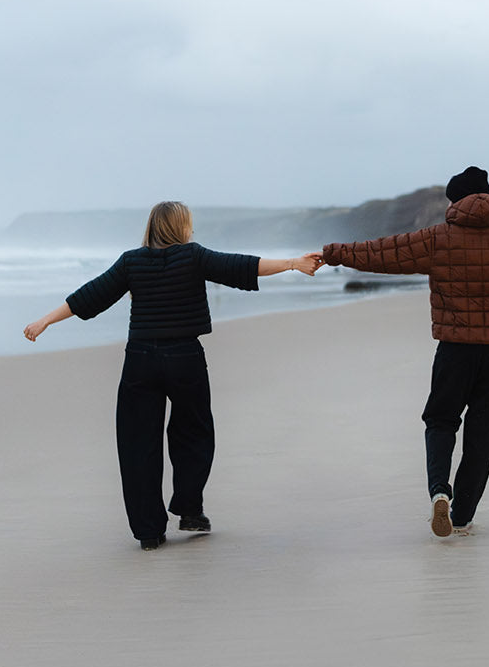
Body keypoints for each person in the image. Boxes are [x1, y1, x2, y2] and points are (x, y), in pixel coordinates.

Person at [24, 201, 322, 551]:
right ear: (180, 227)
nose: (192, 230)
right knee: (194, 433)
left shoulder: (131, 262)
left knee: (137, 444)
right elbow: (241, 266)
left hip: (140, 361)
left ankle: (149, 532)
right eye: (189, 224)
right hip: (184, 358)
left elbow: (91, 295)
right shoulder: (193, 256)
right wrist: (293, 263)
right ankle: (190, 509)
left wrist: (45, 320)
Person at [321, 166, 489, 538]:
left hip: (455, 349)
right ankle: (463, 514)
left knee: (440, 420)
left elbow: (385, 253)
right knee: (484, 432)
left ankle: (439, 491)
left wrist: (333, 254)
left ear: (455, 201)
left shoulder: (439, 238)